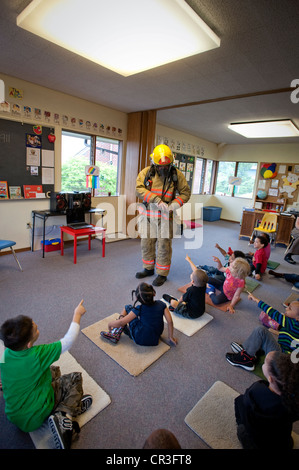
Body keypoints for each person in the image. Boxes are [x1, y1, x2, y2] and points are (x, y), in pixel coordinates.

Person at [0, 300, 91, 449]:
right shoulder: (37, 355)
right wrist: (77, 314)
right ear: (29, 344)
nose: (36, 325)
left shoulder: (6, 353)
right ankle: (64, 419)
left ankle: (67, 409)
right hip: (35, 415)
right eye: (34, 328)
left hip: (14, 415)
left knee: (52, 370)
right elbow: (68, 341)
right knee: (74, 378)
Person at [135, 144, 191, 287]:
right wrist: (156, 200)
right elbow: (139, 189)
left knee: (164, 246)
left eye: (166, 167)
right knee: (146, 243)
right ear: (154, 163)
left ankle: (162, 273)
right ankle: (148, 269)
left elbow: (185, 193)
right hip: (148, 214)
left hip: (166, 217)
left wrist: (173, 205)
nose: (163, 169)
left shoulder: (176, 175)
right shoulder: (146, 173)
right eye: (160, 166)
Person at [234, 351, 299, 449]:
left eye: (264, 363)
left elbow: (245, 406)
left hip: (260, 444)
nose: (263, 365)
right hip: (284, 444)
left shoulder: (256, 391)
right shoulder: (295, 399)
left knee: (239, 401)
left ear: (270, 378)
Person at [226, 292, 299, 371]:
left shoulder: (293, 324)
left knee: (260, 331)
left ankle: (246, 359)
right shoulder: (293, 324)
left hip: (281, 361)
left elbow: (274, 313)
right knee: (264, 336)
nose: (286, 308)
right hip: (288, 362)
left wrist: (256, 300)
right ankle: (247, 349)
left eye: (290, 308)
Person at [100, 282, 177, 347]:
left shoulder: (139, 308)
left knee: (127, 307)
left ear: (137, 298)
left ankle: (116, 332)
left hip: (139, 338)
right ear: (153, 293)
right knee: (141, 320)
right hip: (155, 338)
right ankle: (119, 330)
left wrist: (110, 324)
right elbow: (170, 321)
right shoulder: (162, 304)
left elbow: (122, 322)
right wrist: (170, 337)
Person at [163, 254, 208, 319]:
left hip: (191, 314)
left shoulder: (191, 290)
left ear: (192, 281)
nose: (192, 273)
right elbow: (196, 271)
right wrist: (189, 260)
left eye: (192, 274)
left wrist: (177, 304)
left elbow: (182, 299)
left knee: (174, 303)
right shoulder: (203, 284)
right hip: (201, 310)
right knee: (189, 300)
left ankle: (172, 303)